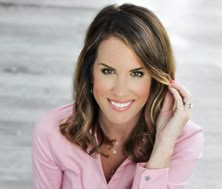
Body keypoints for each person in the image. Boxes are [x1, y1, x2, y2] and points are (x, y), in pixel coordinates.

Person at [32, 3, 204, 189]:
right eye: (108, 71)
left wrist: (163, 147)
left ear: (156, 78)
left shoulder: (184, 140)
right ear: (90, 72)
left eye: (137, 73)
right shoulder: (52, 131)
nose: (120, 91)